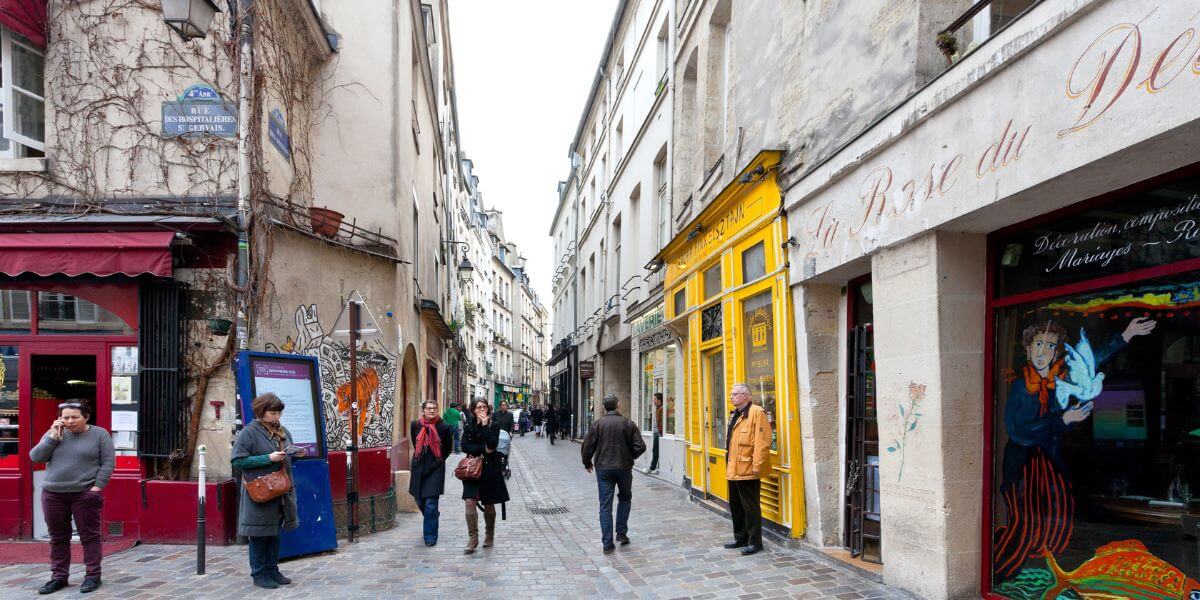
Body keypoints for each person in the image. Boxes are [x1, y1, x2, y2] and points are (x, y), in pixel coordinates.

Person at [993, 317, 1154, 579]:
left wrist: (1125, 335)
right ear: (1027, 349)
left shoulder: (1061, 379)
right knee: (1024, 524)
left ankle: (1047, 571)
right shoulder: (1021, 387)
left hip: (1050, 462)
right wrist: (1063, 420)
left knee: (1057, 516)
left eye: (1050, 346)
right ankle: (1001, 572)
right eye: (1038, 344)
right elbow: (1017, 431)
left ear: (1057, 352)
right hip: (1023, 466)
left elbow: (1091, 361)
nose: (1043, 351)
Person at [29, 401, 115, 595]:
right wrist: (52, 437)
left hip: (84, 494)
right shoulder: (54, 434)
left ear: (86, 416)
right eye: (65, 417)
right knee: (58, 537)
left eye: (74, 417)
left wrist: (97, 487)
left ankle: (93, 575)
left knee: (89, 536)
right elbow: (36, 457)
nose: (69, 421)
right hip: (53, 494)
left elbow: (108, 462)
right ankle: (58, 577)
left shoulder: (99, 434)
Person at [231, 393, 302, 589]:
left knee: (274, 532)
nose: (277, 417)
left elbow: (286, 458)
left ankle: (272, 569)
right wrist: (267, 459)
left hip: (280, 490)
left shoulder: (283, 432)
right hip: (260, 492)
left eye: (279, 413)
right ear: (261, 412)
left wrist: (294, 454)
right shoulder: (249, 432)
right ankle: (259, 573)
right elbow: (237, 460)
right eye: (273, 413)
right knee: (259, 534)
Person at [581, 395, 646, 555]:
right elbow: (641, 446)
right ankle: (621, 532)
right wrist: (630, 456)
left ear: (604, 408)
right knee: (625, 498)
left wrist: (587, 462)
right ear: (618, 405)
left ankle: (607, 544)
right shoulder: (628, 423)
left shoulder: (598, 424)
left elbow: (587, 446)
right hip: (624, 467)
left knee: (605, 505)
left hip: (603, 469)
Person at [723, 383, 772, 556]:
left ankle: (755, 542)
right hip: (733, 467)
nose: (731, 397)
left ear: (746, 396)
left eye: (735, 394)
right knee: (736, 506)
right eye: (731, 394)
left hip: (748, 468)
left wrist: (757, 466)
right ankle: (740, 538)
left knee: (751, 507)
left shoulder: (756, 413)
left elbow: (762, 441)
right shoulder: (735, 414)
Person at [461, 398, 509, 554]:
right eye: (478, 407)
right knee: (469, 502)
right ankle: (473, 538)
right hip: (472, 469)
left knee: (488, 503)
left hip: (489, 468)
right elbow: (464, 446)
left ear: (488, 410)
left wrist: (485, 427)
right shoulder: (468, 426)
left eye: (484, 407)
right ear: (473, 410)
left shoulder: (493, 425)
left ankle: (489, 534)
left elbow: (492, 445)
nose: (482, 410)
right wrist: (482, 449)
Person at [410, 400, 453, 546]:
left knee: (430, 504)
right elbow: (414, 443)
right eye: (429, 408)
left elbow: (447, 448)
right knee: (419, 500)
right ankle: (432, 515)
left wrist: (439, 461)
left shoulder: (444, 427)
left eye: (434, 408)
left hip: (435, 468)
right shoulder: (415, 425)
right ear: (423, 410)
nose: (432, 411)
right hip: (419, 468)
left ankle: (430, 537)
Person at [643, 393, 663, 475]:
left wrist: (660, 431)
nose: (653, 401)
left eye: (655, 399)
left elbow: (661, 422)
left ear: (659, 400)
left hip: (658, 433)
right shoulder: (658, 408)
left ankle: (653, 468)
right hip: (656, 432)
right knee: (656, 450)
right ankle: (656, 467)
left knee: (656, 451)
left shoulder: (661, 409)